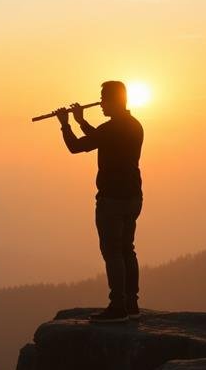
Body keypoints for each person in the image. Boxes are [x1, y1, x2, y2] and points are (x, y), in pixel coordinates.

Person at [56, 81, 144, 322]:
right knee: (127, 249)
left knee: (113, 251)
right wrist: (80, 121)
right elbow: (99, 137)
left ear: (115, 101)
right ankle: (131, 303)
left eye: (104, 99)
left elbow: (76, 147)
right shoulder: (134, 126)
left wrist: (66, 124)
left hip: (112, 199)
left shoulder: (111, 129)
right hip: (133, 197)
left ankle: (118, 307)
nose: (101, 103)